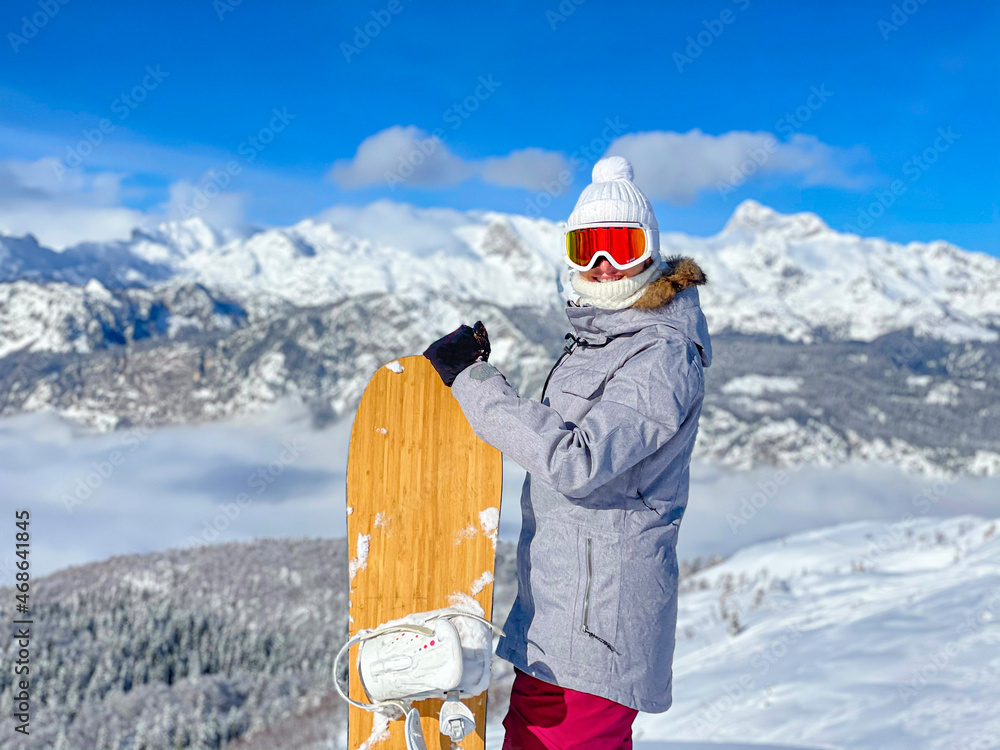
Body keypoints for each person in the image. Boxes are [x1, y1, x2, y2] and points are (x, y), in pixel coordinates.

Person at [423, 156, 711, 748]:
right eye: (588, 249)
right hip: (562, 620)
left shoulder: (660, 356)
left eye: (620, 247)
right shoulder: (602, 339)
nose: (604, 267)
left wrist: (473, 381)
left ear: (650, 253)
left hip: (598, 629)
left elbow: (575, 461)